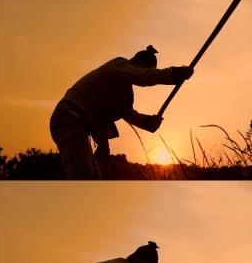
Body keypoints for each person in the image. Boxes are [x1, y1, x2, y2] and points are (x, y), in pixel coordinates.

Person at [49, 45, 194, 179]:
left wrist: (148, 122)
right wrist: (176, 73)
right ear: (139, 66)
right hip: (68, 118)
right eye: (146, 70)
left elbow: (129, 113)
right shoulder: (118, 65)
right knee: (82, 174)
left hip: (78, 125)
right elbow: (144, 77)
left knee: (91, 177)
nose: (145, 73)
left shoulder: (125, 92)